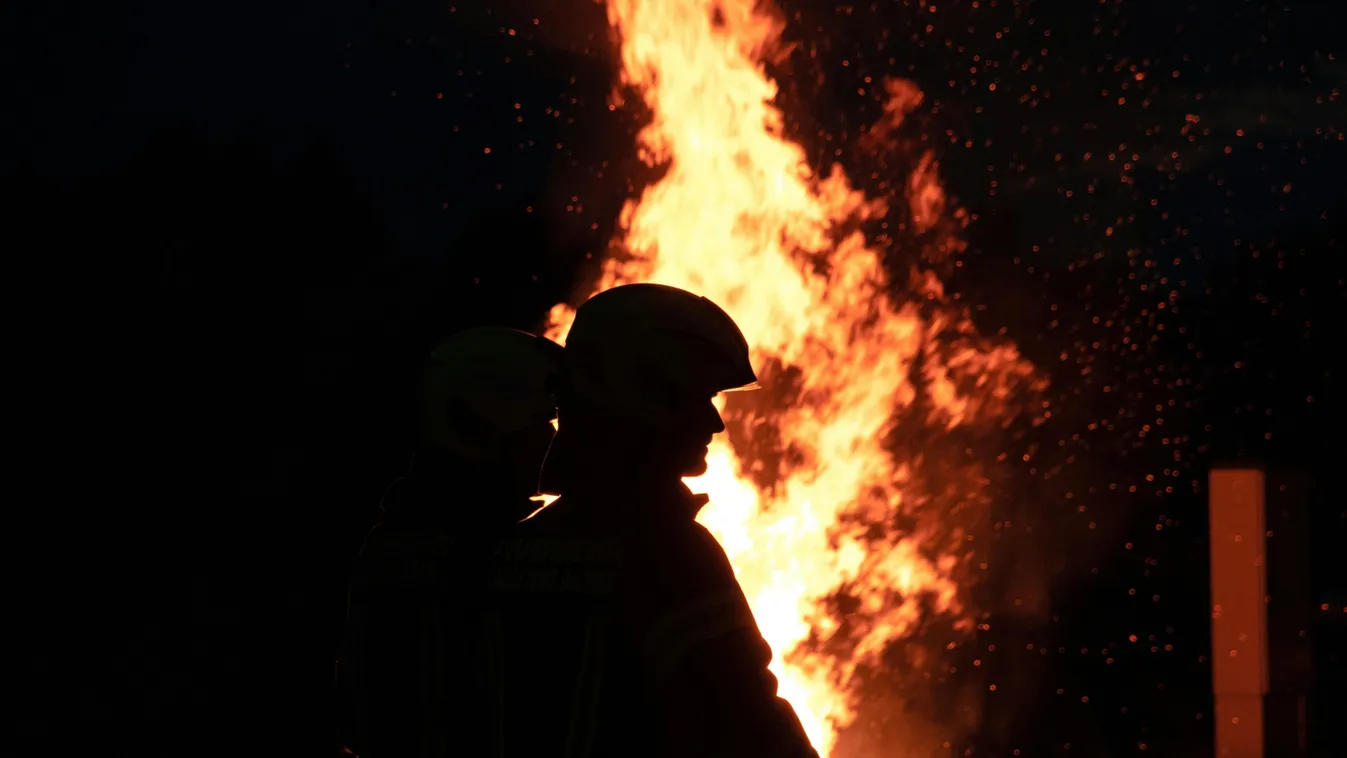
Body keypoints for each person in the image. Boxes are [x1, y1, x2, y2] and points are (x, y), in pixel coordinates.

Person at [481, 283, 819, 758]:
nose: (714, 423)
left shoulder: (514, 548)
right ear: (640, 392)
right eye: (696, 397)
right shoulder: (670, 555)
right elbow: (750, 722)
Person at [336, 326, 564, 758]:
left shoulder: (393, 540)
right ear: (477, 425)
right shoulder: (499, 552)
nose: (552, 439)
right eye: (540, 423)